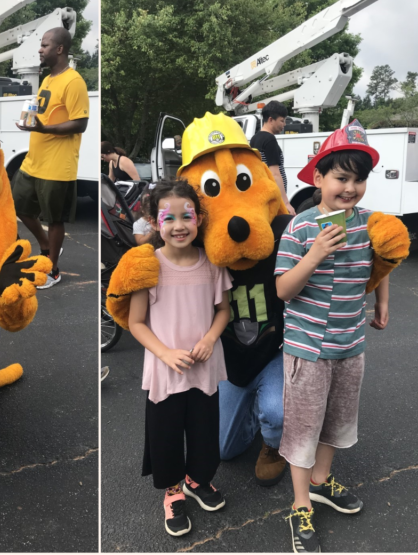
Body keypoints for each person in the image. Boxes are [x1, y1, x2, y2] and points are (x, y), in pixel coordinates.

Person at [274, 123, 390, 553]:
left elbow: (382, 263)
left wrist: (381, 301)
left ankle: (321, 482)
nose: (351, 187)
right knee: (303, 429)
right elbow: (284, 290)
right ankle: (300, 504)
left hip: (350, 346)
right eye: (342, 177)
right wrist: (317, 253)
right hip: (308, 351)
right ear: (318, 178)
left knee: (337, 423)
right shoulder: (301, 228)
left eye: (359, 179)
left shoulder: (369, 224)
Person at [127, 179, 232, 537]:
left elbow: (223, 311)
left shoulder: (212, 264)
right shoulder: (148, 265)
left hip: (204, 368)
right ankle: (173, 491)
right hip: (165, 371)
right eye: (168, 218)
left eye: (186, 216)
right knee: (165, 435)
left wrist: (210, 338)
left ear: (199, 218)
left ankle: (196, 480)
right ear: (155, 223)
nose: (178, 225)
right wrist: (165, 353)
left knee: (204, 433)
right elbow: (135, 322)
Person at [13, 27, 90, 289]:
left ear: (59, 49)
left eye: (45, 45)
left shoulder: (74, 81)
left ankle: (53, 270)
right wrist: (29, 121)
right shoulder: (48, 79)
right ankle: (46, 245)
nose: (39, 49)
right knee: (20, 206)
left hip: (57, 166)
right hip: (34, 161)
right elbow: (44, 112)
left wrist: (44, 129)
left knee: (55, 220)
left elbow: (80, 123)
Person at [250, 100, 295, 214]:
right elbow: (275, 174)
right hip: (274, 198)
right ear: (270, 119)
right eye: (282, 121)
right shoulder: (270, 140)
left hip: (262, 195)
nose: (284, 124)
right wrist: (286, 203)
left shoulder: (255, 138)